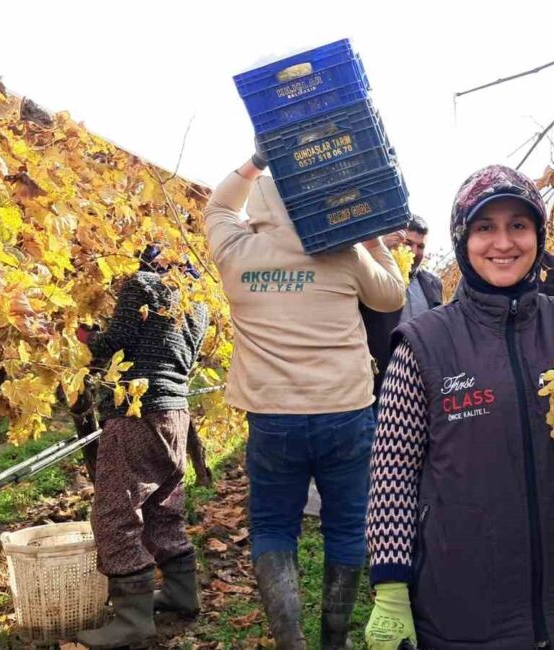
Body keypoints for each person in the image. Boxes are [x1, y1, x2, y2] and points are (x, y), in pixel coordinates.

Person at [363, 165, 554, 650]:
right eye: (485, 227)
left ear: (537, 236)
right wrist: (391, 586)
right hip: (467, 606)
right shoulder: (424, 343)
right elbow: (392, 471)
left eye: (518, 226)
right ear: (463, 239)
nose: (503, 242)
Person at [203, 152, 405, 649]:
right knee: (346, 525)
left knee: (273, 526)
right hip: (346, 411)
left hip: (273, 418)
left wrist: (254, 163)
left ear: (265, 204)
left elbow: (218, 207)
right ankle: (333, 641)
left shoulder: (237, 250)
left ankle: (291, 642)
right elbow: (392, 297)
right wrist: (371, 235)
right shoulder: (344, 255)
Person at [75, 245, 209, 649]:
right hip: (175, 412)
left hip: (136, 410)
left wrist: (80, 334)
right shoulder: (196, 301)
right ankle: (182, 593)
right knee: (161, 503)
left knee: (115, 510)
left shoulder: (141, 284)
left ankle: (132, 619)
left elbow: (113, 344)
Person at [360, 215, 443, 403]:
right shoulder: (374, 275)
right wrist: (379, 247)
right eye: (408, 243)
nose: (415, 251)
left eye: (420, 246)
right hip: (379, 384)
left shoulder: (433, 284)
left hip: (422, 382)